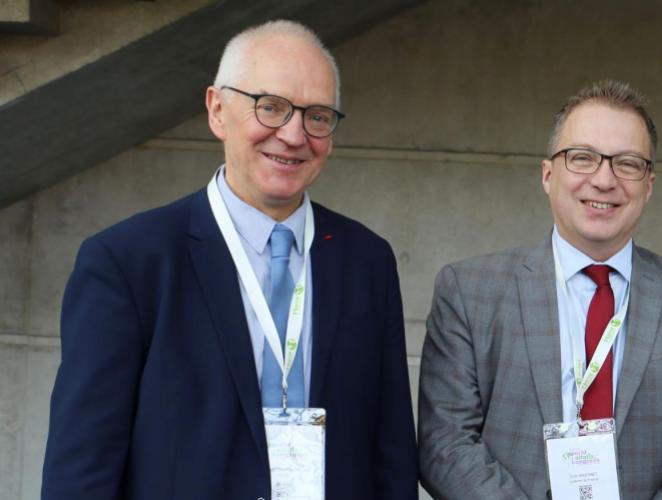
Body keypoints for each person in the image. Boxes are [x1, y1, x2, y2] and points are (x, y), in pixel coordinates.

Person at [42, 20, 417, 499]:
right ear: (217, 110)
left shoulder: (367, 261)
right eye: (272, 107)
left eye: (317, 116)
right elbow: (81, 469)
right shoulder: (129, 263)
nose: (294, 135)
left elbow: (391, 453)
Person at [417, 79, 662, 499]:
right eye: (583, 158)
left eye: (627, 163)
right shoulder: (469, 291)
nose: (604, 180)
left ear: (649, 185)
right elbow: (446, 444)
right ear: (548, 175)